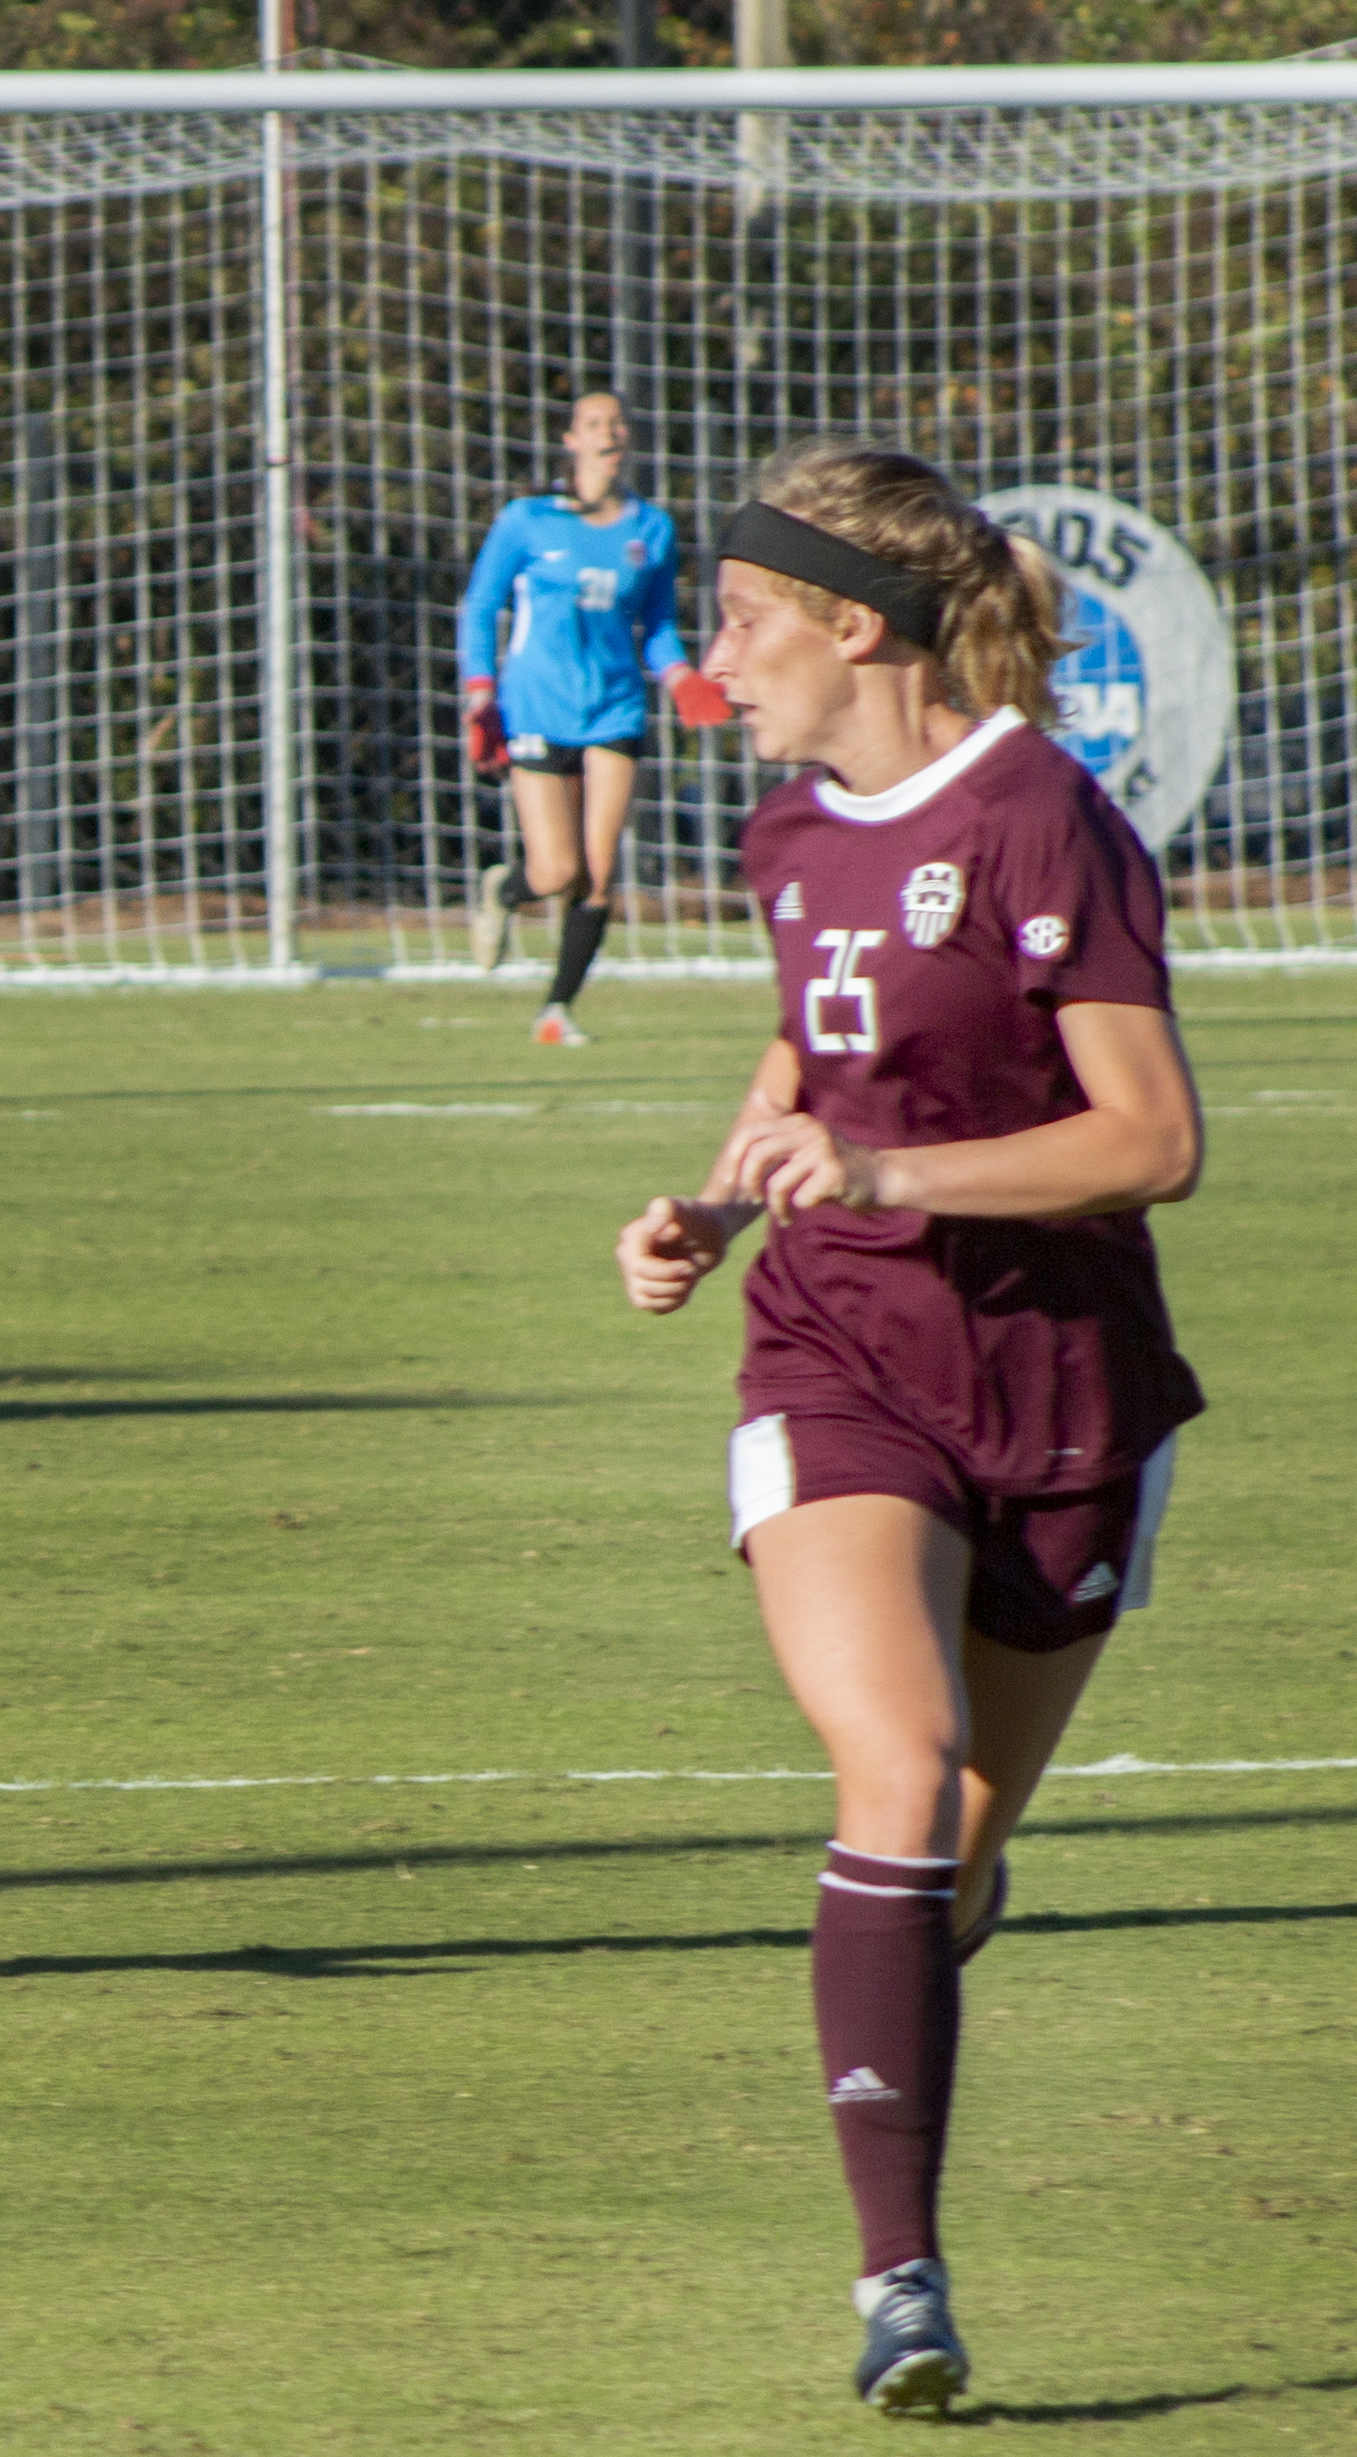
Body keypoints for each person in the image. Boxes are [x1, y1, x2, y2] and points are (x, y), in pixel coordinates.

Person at [613, 440, 1204, 2414]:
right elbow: (812, 1051)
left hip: (1064, 1387)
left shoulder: (1047, 818)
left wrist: (889, 1171)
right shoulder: (794, 835)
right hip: (838, 1361)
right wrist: (721, 1200)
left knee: (952, 1840)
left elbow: (1153, 1138)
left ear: (850, 624)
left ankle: (928, 1929)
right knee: (898, 1761)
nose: (719, 659)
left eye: (743, 619)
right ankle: (902, 2282)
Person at [457, 392, 736, 1042]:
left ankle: (556, 1009)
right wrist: (479, 691)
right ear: (570, 441)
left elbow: (658, 625)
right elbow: (479, 604)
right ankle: (504, 890)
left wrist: (680, 676)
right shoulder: (528, 520)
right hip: (534, 703)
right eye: (593, 424)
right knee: (557, 871)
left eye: (617, 422)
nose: (607, 432)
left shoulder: (652, 528)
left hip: (613, 706)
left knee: (601, 868)